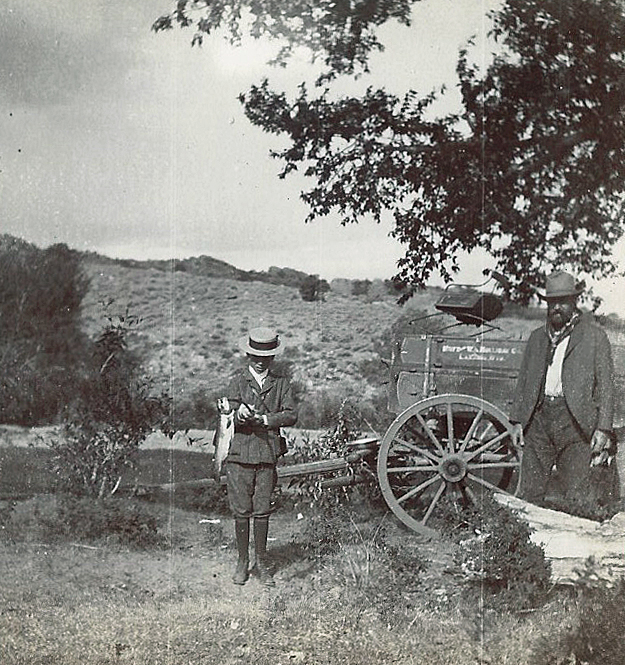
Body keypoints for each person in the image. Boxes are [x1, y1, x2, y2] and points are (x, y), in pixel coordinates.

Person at [510, 270, 619, 512]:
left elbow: (606, 386)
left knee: (578, 497)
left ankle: (577, 547)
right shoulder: (537, 338)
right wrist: (517, 421)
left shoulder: (594, 337)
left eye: (563, 302)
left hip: (575, 424)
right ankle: (527, 547)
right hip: (538, 421)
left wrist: (603, 428)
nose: (556, 307)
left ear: (574, 302)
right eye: (552, 302)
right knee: (530, 495)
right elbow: (524, 381)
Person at [223, 326, 297, 586]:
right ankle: (243, 562)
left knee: (262, 511)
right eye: (254, 355)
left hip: (267, 455)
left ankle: (262, 562)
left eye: (265, 356)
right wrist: (237, 414)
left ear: (272, 358)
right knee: (241, 511)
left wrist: (265, 419)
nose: (259, 360)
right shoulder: (237, 381)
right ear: (247, 355)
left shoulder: (282, 384)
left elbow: (291, 414)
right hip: (239, 454)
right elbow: (226, 409)